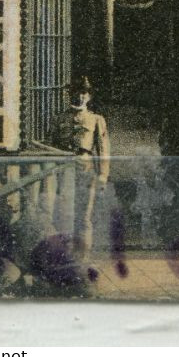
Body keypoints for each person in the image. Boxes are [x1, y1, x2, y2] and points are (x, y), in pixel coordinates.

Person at [52, 76, 110, 257]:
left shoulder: (96, 119)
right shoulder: (58, 119)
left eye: (84, 93)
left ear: (89, 97)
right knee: (64, 215)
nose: (80, 96)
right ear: (70, 95)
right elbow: (51, 147)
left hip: (86, 171)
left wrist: (103, 175)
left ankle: (83, 256)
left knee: (84, 215)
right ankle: (65, 257)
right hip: (63, 171)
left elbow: (103, 150)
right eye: (77, 92)